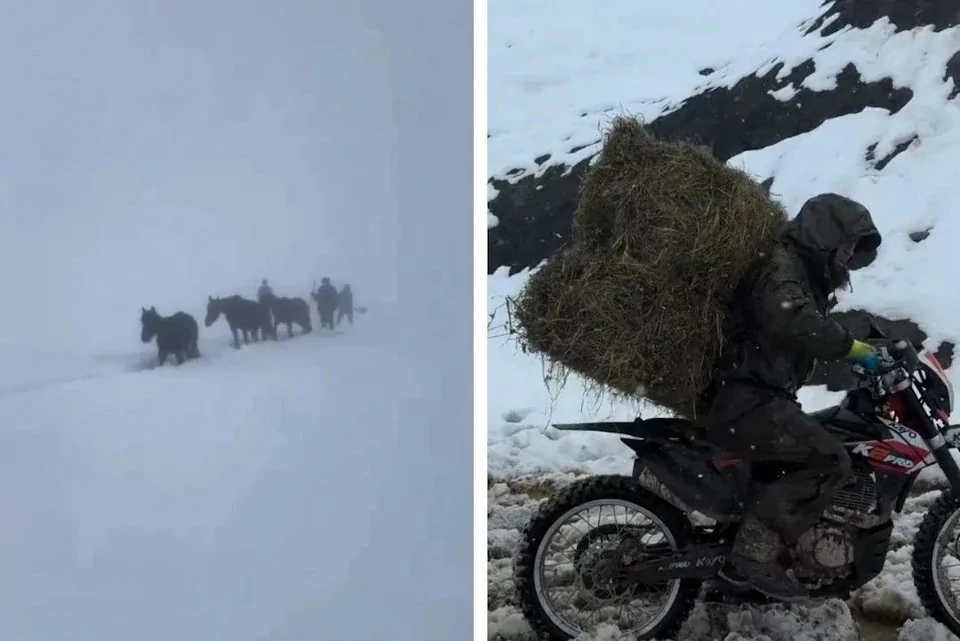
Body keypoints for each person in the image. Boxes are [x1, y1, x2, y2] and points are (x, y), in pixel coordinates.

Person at [702, 193, 883, 601]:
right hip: (745, 398)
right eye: (846, 246)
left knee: (810, 449)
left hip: (758, 396)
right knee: (827, 458)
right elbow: (789, 315)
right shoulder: (779, 266)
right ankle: (751, 555)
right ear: (824, 236)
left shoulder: (799, 271)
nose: (848, 256)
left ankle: (749, 564)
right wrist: (850, 348)